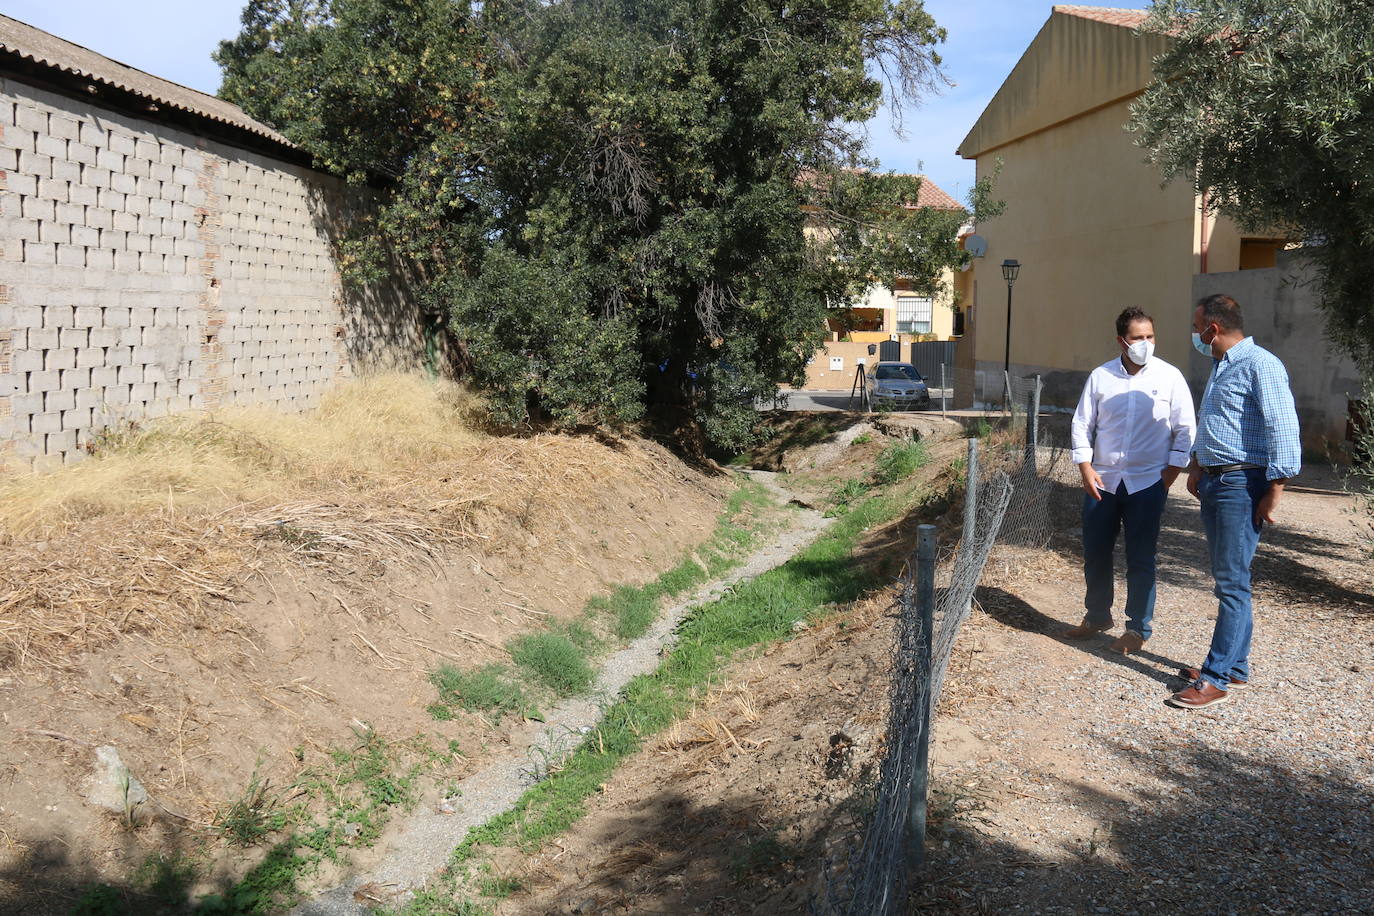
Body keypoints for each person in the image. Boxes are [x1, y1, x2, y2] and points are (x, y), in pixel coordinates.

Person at [1168, 294, 1300, 709]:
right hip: (1217, 480)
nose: (1194, 334)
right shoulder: (1222, 364)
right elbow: (1219, 422)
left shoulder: (1261, 364)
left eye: (1197, 327)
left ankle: (1216, 676)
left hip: (1240, 486)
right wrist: (1197, 464)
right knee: (1231, 579)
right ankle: (1236, 665)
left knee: (1231, 584)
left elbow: (1283, 425)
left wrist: (1276, 488)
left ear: (1214, 328)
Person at [1066, 307, 1196, 654]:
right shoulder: (1101, 377)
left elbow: (1186, 428)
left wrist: (1170, 472)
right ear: (1121, 340)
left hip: (1147, 483)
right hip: (1103, 481)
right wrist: (1085, 467)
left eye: (1150, 336)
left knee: (1141, 556)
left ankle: (1137, 628)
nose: (1145, 343)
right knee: (1095, 552)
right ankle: (1096, 617)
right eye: (1138, 338)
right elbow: (1082, 423)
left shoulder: (1170, 377)